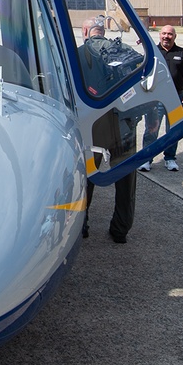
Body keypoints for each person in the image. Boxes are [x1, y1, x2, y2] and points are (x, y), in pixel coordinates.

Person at [80, 17, 139, 244]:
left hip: (92, 124)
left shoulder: (74, 54)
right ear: (103, 32)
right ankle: (120, 229)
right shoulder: (122, 50)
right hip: (123, 121)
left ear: (85, 31)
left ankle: (81, 224)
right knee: (126, 178)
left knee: (87, 174)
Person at [139, 24, 183, 172]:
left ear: (175, 36)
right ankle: (146, 159)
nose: (166, 36)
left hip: (176, 97)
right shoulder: (152, 52)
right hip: (155, 98)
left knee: (173, 129)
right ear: (159, 35)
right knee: (152, 129)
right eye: (164, 33)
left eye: (170, 34)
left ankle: (170, 158)